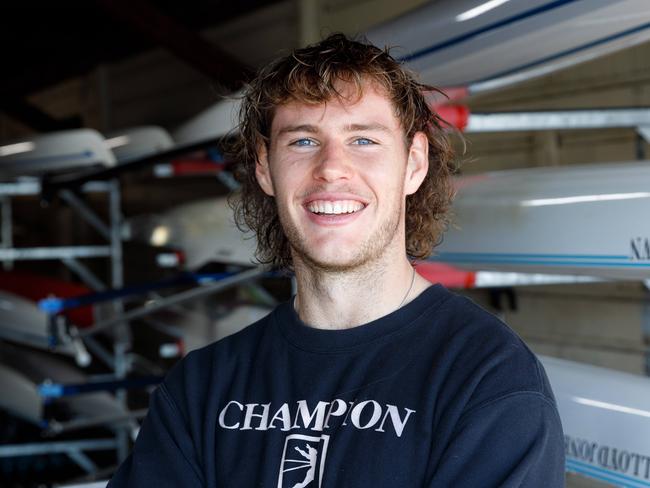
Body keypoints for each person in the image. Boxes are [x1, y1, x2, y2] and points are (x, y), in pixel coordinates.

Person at [108, 34, 565, 487]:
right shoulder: (202, 386)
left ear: (414, 164)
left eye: (364, 140)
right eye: (303, 142)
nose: (331, 167)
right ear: (265, 167)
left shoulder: (487, 380)